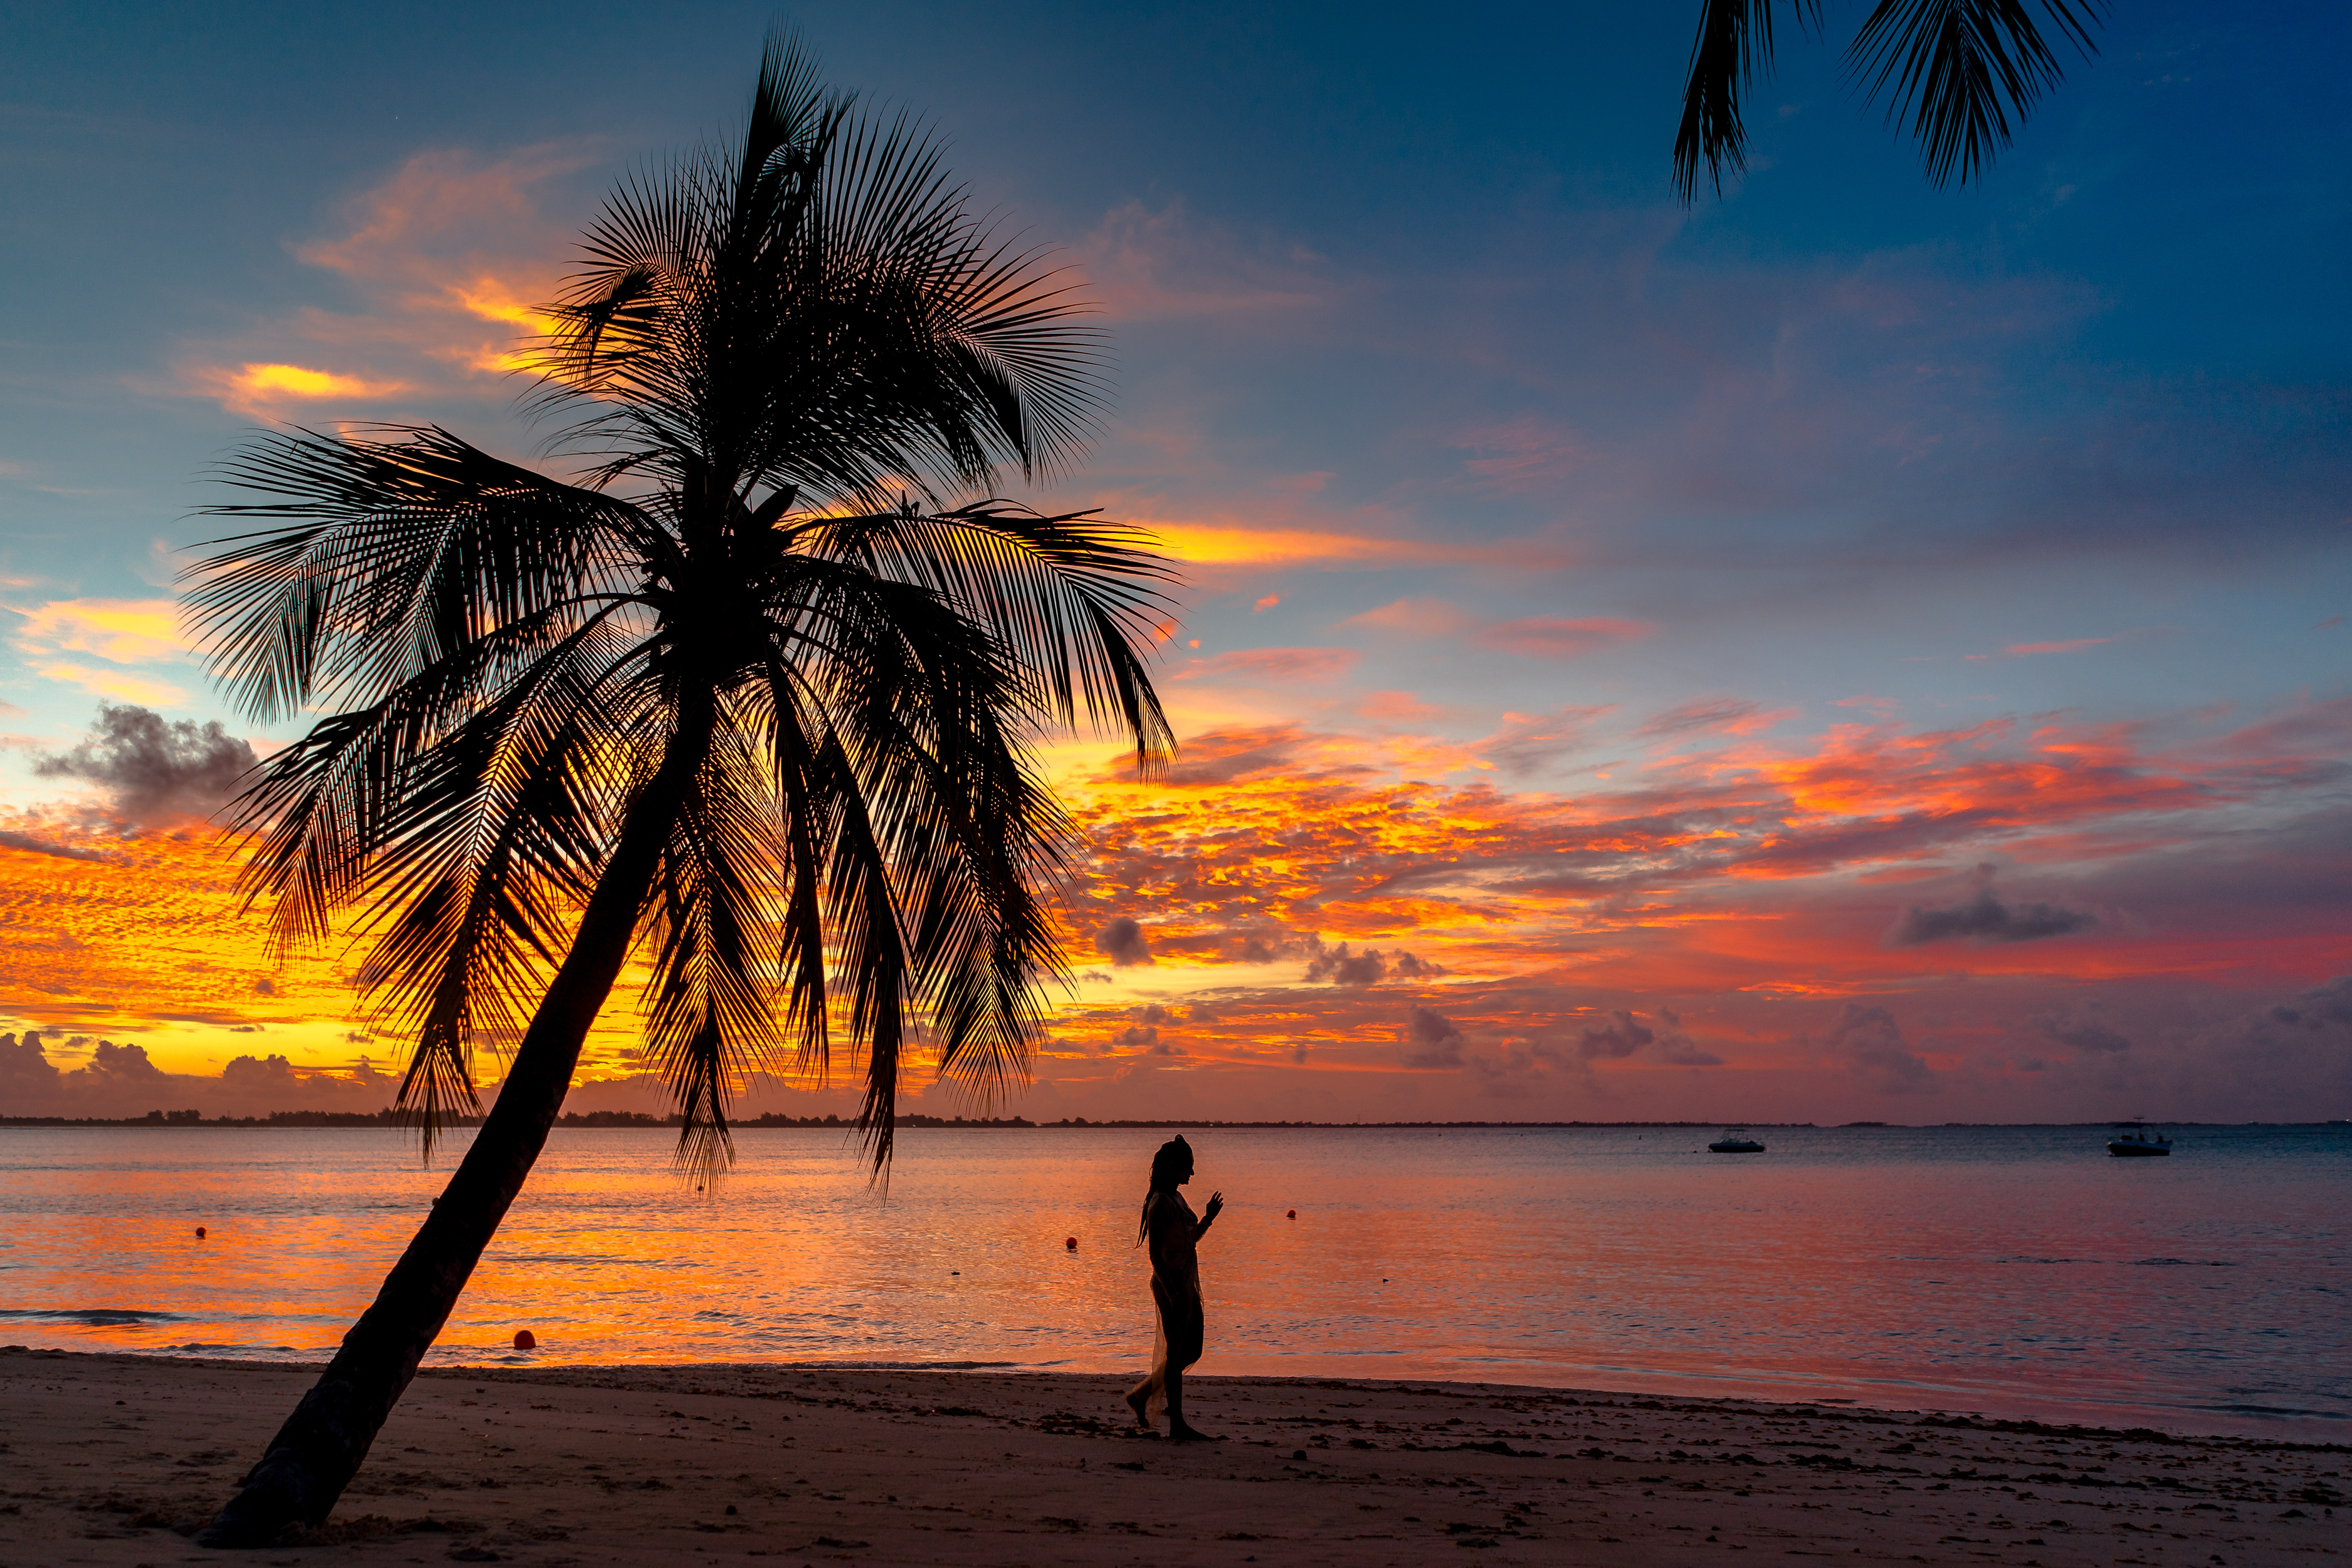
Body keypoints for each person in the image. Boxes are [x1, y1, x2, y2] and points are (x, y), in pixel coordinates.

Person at [1124, 1135, 1223, 1440]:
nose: (1192, 1172)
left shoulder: (1178, 1199)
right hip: (1171, 1287)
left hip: (1186, 1283)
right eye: (1187, 1166)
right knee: (1178, 1352)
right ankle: (1177, 1423)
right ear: (1171, 1166)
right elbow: (1156, 1255)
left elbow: (1189, 1241)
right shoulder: (1159, 1203)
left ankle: (1141, 1395)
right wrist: (1172, 1292)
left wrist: (1207, 1219)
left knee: (1193, 1349)